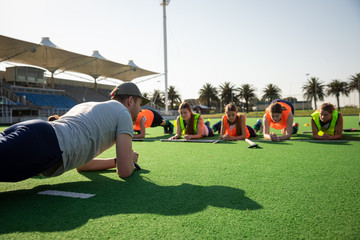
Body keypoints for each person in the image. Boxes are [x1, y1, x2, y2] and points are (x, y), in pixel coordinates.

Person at [0, 82, 149, 182]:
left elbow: (83, 165)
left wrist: (115, 161)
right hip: (46, 144)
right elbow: (124, 172)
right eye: (139, 104)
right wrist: (129, 160)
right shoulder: (123, 113)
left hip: (37, 133)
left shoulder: (87, 106)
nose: (140, 110)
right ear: (130, 101)